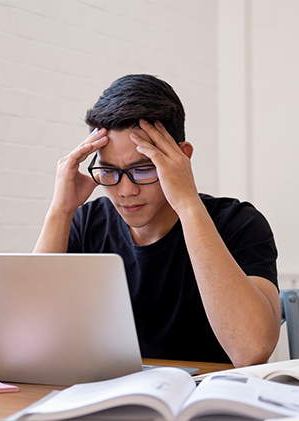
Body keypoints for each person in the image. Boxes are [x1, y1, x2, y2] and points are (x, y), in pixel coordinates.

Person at [34, 74, 281, 367]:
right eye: (109, 171)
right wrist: (60, 210)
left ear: (182, 158)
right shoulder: (86, 222)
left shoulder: (239, 223)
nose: (126, 191)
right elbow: (28, 336)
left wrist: (188, 204)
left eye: (143, 169)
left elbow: (251, 350)